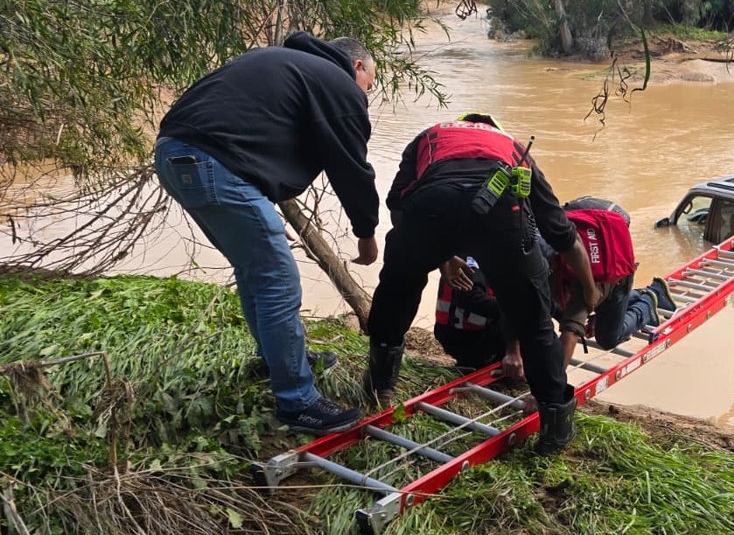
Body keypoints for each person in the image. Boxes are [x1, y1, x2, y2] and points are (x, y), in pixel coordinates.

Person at [153, 31, 379, 434]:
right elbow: (351, 166)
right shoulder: (338, 81)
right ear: (357, 66)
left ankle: (276, 359)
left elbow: (253, 128)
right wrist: (366, 231)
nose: (365, 93)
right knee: (277, 280)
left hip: (174, 154)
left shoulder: (279, 59)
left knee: (254, 271)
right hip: (216, 163)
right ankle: (298, 402)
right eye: (369, 84)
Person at [365, 113, 601, 454]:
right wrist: (590, 290)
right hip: (504, 216)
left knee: (398, 288)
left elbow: (397, 204)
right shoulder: (515, 150)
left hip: (432, 206)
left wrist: (440, 254)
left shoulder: (429, 136)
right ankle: (556, 428)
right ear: (496, 133)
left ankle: (381, 385)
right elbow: (563, 234)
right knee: (534, 323)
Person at [499, 197, 676, 377]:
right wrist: (513, 350)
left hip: (608, 258)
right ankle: (634, 296)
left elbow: (570, 335)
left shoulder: (579, 278)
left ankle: (649, 300)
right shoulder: (528, 246)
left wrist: (549, 391)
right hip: (591, 222)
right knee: (553, 309)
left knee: (607, 338)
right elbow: (512, 299)